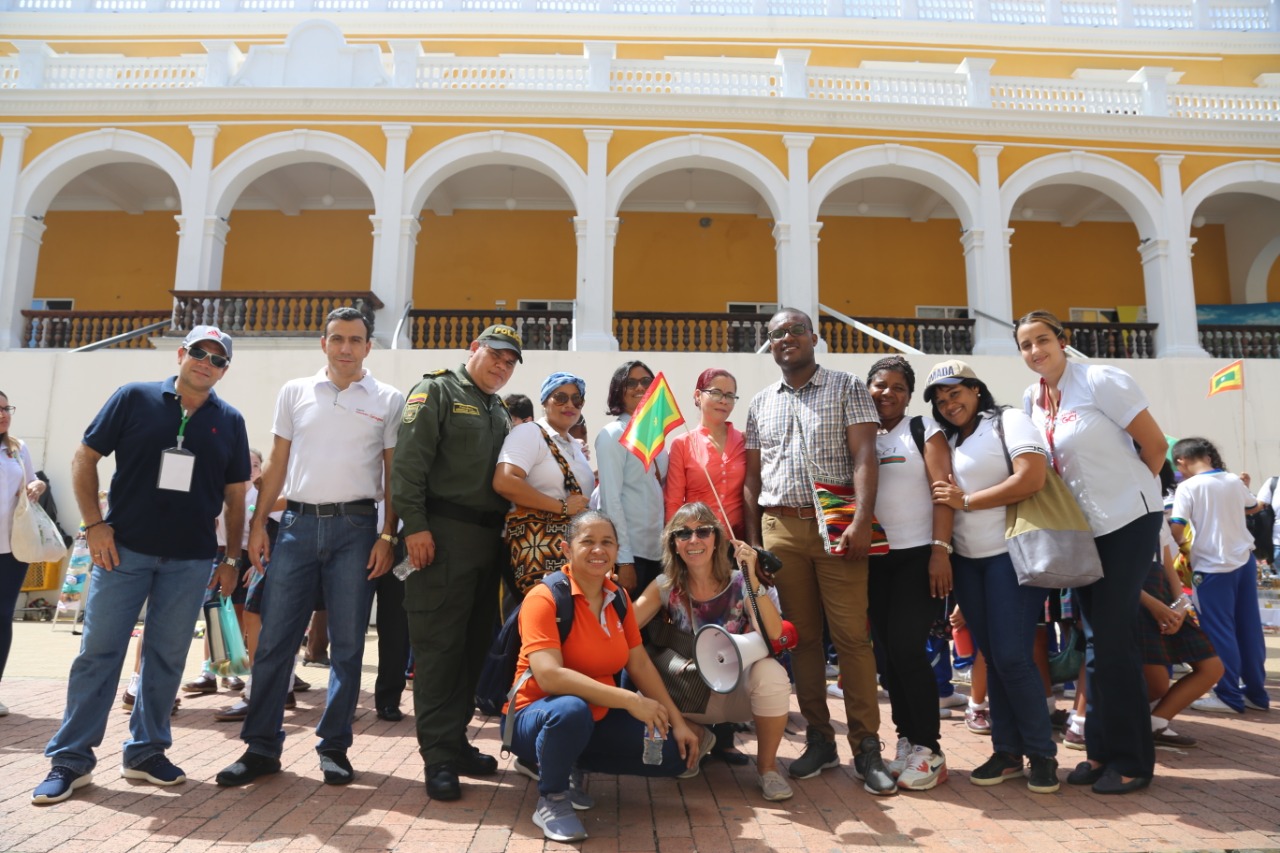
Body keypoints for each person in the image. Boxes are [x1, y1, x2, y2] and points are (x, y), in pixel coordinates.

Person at [33, 326, 250, 805]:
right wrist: (94, 525)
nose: (206, 363)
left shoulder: (229, 420)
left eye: (217, 359)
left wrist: (232, 557)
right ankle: (70, 759)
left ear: (224, 370)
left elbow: (237, 497)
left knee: (167, 659)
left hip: (191, 559)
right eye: (199, 352)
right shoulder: (133, 396)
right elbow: (84, 457)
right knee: (99, 655)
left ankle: (146, 753)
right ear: (181, 354)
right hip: (122, 551)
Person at [216, 307, 404, 788]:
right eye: (337, 338)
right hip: (296, 527)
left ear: (368, 346)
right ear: (323, 343)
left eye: (355, 339)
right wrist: (260, 524)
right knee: (276, 641)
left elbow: (392, 474)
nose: (345, 347)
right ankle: (260, 748)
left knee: (347, 647)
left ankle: (334, 747)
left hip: (357, 529)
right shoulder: (295, 391)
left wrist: (387, 534)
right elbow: (276, 463)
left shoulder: (388, 398)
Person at [1015, 310, 1167, 794]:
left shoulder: (1101, 379)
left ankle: (1133, 761)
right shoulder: (1032, 399)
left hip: (1128, 520)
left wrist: (1130, 493)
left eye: (1043, 340)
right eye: (1025, 345)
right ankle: (1100, 752)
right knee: (1094, 641)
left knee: (1115, 639)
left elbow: (1156, 445)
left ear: (1063, 340)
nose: (1036, 351)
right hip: (1082, 531)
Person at [743, 308, 894, 795]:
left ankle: (867, 748)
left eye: (794, 331)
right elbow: (752, 479)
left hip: (837, 526)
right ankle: (821, 741)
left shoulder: (847, 386)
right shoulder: (760, 403)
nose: (786, 339)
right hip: (780, 527)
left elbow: (865, 456)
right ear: (769, 346)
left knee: (852, 638)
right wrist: (755, 544)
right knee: (801, 640)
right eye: (776, 335)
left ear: (813, 337)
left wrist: (860, 520)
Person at [504, 510, 710, 843]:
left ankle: (565, 759)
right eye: (588, 542)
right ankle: (552, 798)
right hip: (536, 716)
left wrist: (679, 723)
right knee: (570, 710)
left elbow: (639, 665)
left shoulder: (619, 599)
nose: (598, 550)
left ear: (617, 550)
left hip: (594, 718)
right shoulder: (544, 598)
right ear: (566, 548)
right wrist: (629, 700)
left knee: (674, 754)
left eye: (607, 542)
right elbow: (549, 677)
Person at [391, 324, 522, 801]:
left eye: (510, 363)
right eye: (496, 356)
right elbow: (408, 465)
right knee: (439, 650)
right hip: (441, 537)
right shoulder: (437, 391)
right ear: (474, 350)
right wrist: (416, 527)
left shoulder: (498, 410)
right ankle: (438, 758)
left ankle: (456, 740)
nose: (502, 367)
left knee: (471, 648)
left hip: (486, 543)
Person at [924, 359, 1059, 795]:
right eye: (941, 400)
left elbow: (1032, 477)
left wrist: (967, 501)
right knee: (994, 657)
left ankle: (1042, 755)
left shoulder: (1009, 421)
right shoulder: (948, 440)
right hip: (967, 561)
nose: (949, 404)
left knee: (1013, 657)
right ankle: (1007, 752)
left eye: (955, 393)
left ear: (977, 390)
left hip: (1010, 556)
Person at [634, 502, 793, 801]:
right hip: (686, 692)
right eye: (683, 534)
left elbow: (773, 634)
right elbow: (626, 628)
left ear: (717, 538)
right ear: (674, 544)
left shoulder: (740, 581)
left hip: (736, 694)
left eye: (703, 531)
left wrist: (753, 580)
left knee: (771, 674)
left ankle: (768, 769)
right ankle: (698, 732)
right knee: (642, 696)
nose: (693, 540)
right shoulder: (664, 586)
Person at [864, 356, 955, 791]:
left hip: (918, 556)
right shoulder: (860, 433)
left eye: (898, 387)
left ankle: (930, 747)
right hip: (872, 561)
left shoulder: (923, 430)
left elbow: (943, 493)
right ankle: (906, 740)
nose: (888, 393)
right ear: (868, 388)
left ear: (908, 394)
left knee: (907, 649)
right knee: (888, 656)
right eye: (881, 385)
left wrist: (940, 552)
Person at [1169, 437, 1269, 716]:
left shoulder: (1187, 487)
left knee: (1218, 632)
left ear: (1181, 461)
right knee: (1248, 629)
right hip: (1244, 562)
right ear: (1208, 457)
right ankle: (1256, 694)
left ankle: (1228, 696)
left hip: (1212, 568)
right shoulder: (1232, 481)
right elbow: (1253, 507)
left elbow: (1177, 529)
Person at [494, 372, 593, 596]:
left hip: (568, 549)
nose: (570, 404)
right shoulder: (529, 433)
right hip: (534, 549)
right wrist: (563, 507)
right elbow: (504, 481)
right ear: (544, 400)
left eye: (577, 399)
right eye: (560, 397)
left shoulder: (573, 446)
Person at [594, 361, 666, 597]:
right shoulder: (613, 434)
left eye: (647, 382)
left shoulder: (657, 438)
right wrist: (623, 560)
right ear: (618, 390)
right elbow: (610, 500)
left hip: (657, 554)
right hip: (630, 555)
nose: (640, 387)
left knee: (651, 631)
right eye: (631, 382)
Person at [1, 392, 47, 717]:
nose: (4, 414)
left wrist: (37, 487)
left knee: (3, 617)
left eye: (6, 408)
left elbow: (32, 483)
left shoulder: (17, 448)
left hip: (12, 549)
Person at [663, 368, 746, 536]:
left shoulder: (745, 441)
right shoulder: (683, 444)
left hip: (738, 544)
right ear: (697, 396)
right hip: (698, 542)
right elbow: (674, 502)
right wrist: (675, 541)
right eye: (716, 393)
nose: (724, 401)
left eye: (730, 395)